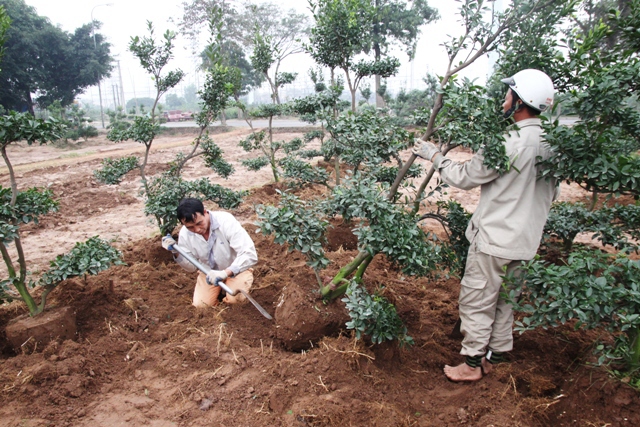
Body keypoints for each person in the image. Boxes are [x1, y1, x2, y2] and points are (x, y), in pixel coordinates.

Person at [412, 69, 559, 382]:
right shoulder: (554, 144)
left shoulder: (506, 142)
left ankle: (473, 364)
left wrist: (435, 155)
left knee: (477, 298)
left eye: (509, 94)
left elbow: (464, 178)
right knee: (505, 299)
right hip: (525, 241)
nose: (504, 99)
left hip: (494, 238)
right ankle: (493, 355)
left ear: (520, 101)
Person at [161, 198, 258, 308]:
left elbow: (249, 253)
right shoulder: (185, 234)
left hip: (236, 269)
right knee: (201, 306)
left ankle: (230, 285)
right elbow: (191, 267)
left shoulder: (226, 221)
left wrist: (226, 273)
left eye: (199, 223)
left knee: (236, 300)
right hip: (208, 273)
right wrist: (176, 251)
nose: (197, 229)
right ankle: (221, 289)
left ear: (205, 212)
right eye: (190, 227)